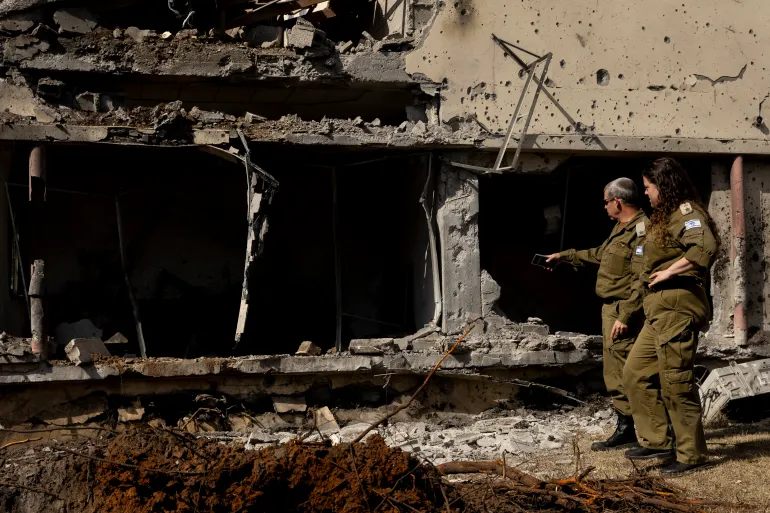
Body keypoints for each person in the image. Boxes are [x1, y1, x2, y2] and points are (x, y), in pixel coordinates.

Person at [622, 157, 719, 475]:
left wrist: (668, 273)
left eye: (649, 187)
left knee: (676, 382)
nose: (646, 194)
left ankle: (691, 455)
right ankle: (657, 441)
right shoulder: (661, 218)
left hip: (678, 307)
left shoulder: (687, 213)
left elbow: (704, 248)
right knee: (635, 373)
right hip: (658, 311)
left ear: (664, 185)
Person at [546, 177, 649, 451]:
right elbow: (599, 254)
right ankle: (626, 429)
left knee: (631, 372)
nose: (604, 207)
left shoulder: (642, 231)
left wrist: (625, 316)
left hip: (624, 309)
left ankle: (654, 434)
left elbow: (641, 279)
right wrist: (564, 257)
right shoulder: (620, 229)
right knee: (614, 372)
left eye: (606, 202)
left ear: (617, 201)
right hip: (610, 309)